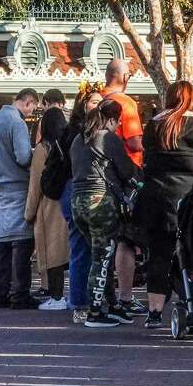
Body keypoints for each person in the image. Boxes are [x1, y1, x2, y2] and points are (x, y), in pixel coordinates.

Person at [137, 80, 193, 328]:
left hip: (157, 200)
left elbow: (146, 160)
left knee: (158, 255)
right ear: (192, 99)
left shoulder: (154, 125)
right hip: (192, 203)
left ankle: (154, 312)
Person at [71, 99, 137, 328]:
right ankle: (95, 311)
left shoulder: (79, 139)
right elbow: (127, 171)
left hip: (77, 202)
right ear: (111, 120)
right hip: (100, 203)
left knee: (101, 256)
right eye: (117, 122)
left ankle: (113, 305)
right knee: (102, 257)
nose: (118, 127)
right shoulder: (107, 138)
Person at [100, 59, 148, 316]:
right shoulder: (126, 104)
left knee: (100, 242)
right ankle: (125, 297)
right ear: (124, 77)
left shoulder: (94, 99)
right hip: (126, 176)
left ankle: (99, 297)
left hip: (97, 177)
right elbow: (135, 142)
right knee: (126, 239)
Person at [0, 88, 40, 309]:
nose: (31, 114)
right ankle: (20, 293)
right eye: (33, 108)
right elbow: (23, 156)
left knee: (1, 242)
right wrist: (36, 153)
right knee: (21, 241)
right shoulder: (16, 123)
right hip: (18, 185)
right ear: (28, 102)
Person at [60, 84, 105, 323]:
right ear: (83, 103)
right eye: (93, 102)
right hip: (77, 190)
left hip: (82, 191)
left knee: (93, 248)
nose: (98, 106)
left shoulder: (92, 130)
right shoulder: (76, 133)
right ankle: (79, 302)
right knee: (81, 246)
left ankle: (91, 299)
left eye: (100, 102)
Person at [25, 106, 70, 310]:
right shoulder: (69, 144)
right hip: (68, 201)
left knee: (52, 253)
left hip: (49, 206)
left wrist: (29, 212)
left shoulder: (42, 149)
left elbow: (35, 185)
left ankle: (56, 296)